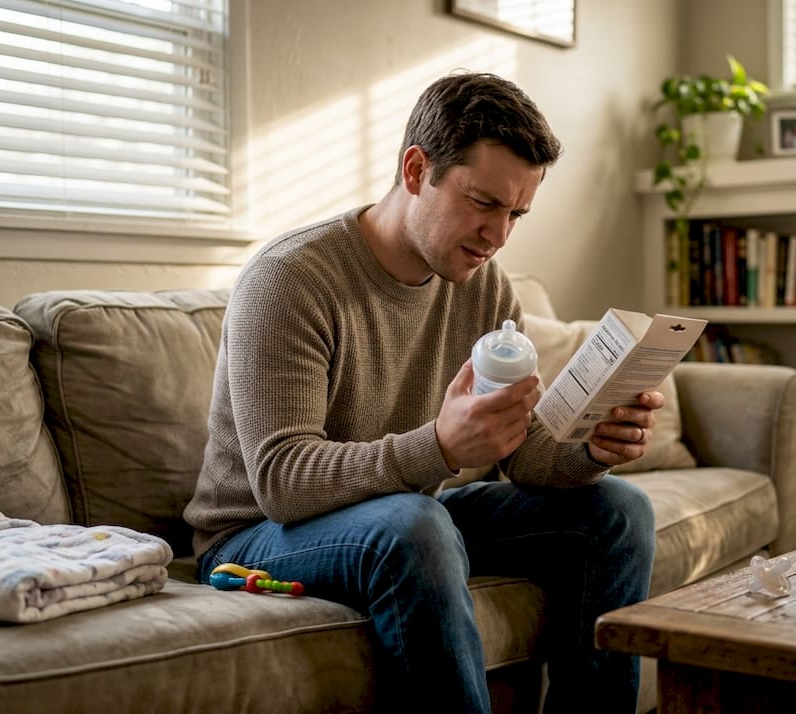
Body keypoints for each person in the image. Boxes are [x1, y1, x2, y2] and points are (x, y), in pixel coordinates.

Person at [183, 72, 659, 713]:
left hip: (400, 512)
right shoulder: (290, 280)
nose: (498, 236)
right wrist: (438, 445)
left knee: (617, 512)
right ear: (416, 169)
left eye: (516, 213)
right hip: (259, 533)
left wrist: (594, 449)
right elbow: (283, 481)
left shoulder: (485, 287)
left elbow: (522, 454)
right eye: (483, 203)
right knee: (418, 524)